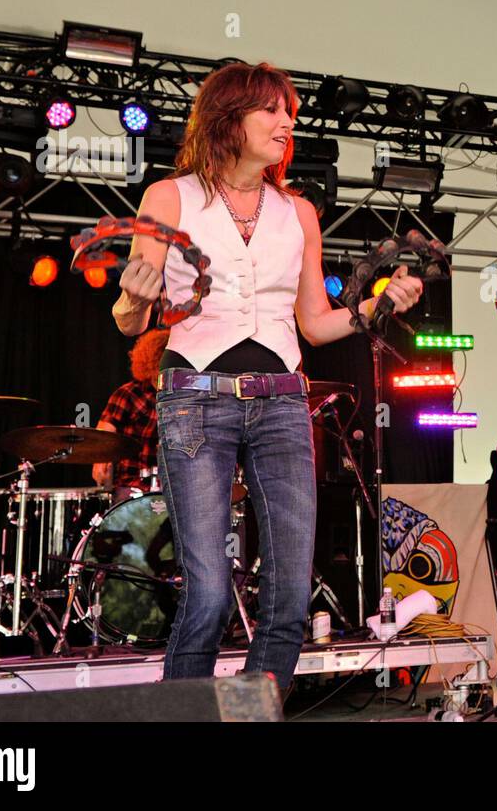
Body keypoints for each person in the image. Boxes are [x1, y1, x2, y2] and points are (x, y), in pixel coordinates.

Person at [111, 62, 422, 693]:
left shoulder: (297, 212)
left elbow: (314, 323)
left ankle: (254, 712)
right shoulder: (169, 198)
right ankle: (186, 716)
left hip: (282, 402)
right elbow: (127, 320)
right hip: (195, 400)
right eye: (273, 112)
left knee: (287, 597)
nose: (288, 124)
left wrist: (379, 304)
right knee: (206, 594)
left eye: (291, 113)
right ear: (231, 118)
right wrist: (133, 299)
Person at [92, 329, 169, 501]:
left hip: (176, 487)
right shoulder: (129, 394)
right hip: (132, 487)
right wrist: (102, 459)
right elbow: (102, 437)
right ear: (151, 363)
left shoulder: (185, 398)